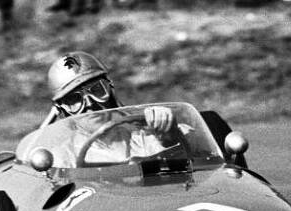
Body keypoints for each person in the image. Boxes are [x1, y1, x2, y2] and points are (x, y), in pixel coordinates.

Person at [16, 51, 180, 165]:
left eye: (97, 90)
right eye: (74, 99)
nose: (90, 103)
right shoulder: (62, 157)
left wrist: (169, 136)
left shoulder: (145, 137)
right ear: (63, 110)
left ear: (110, 89)